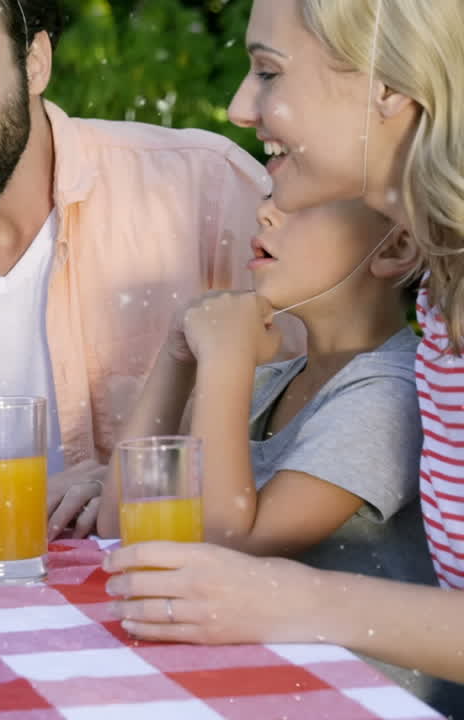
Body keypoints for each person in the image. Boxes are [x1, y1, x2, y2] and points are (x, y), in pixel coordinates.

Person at [104, 0, 464, 712]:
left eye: (268, 71)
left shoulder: (396, 365)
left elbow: (232, 538)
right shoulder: (441, 307)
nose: (240, 106)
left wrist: (289, 596)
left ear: (388, 86)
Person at [0, 0, 285, 539]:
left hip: (159, 606)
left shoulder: (207, 190)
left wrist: (133, 484)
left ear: (36, 63)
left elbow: (305, 432)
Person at [99, 195, 429, 585]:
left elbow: (223, 549)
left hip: (345, 647)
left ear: (396, 247)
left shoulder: (394, 392)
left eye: (303, 201)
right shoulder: (266, 385)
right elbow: (120, 525)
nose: (264, 212)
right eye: (272, 196)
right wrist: (176, 357)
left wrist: (226, 354)